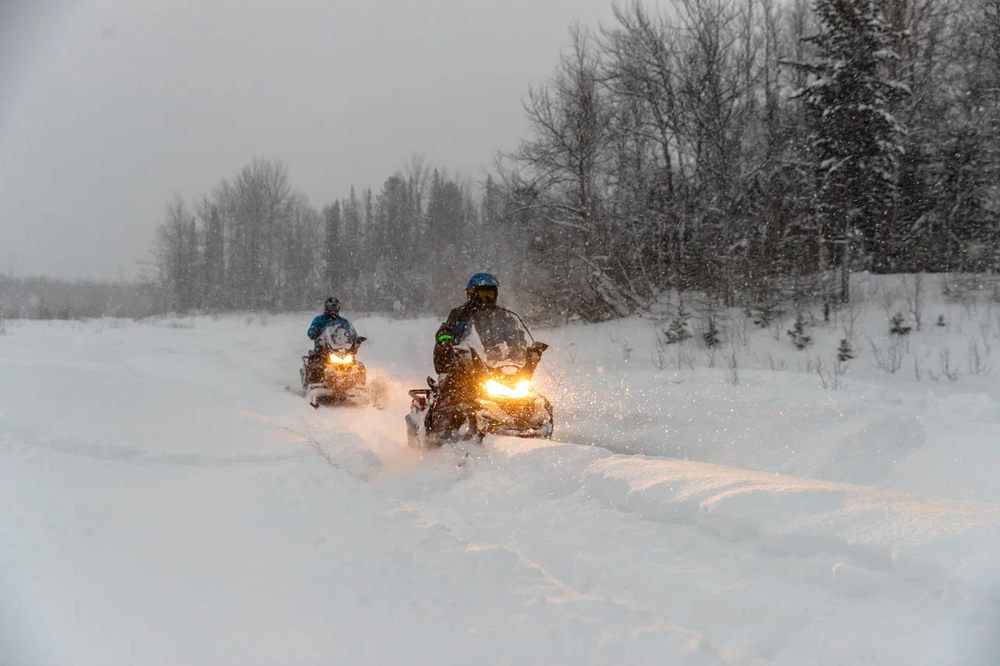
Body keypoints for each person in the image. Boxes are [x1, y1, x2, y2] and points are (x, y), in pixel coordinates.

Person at [427, 273, 502, 435]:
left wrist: (525, 350)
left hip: (493, 363)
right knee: (453, 390)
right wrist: (446, 341)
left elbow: (514, 336)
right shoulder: (460, 314)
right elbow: (445, 331)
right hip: (465, 363)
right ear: (473, 294)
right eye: (484, 294)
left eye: (490, 294)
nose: (487, 299)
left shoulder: (501, 316)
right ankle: (439, 428)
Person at [304, 297, 358, 385]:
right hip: (323, 349)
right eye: (331, 307)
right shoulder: (319, 320)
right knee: (316, 366)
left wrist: (356, 339)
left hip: (340, 349)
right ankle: (314, 384)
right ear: (327, 307)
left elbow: (351, 332)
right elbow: (312, 330)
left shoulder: (343, 321)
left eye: (335, 307)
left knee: (356, 366)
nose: (333, 310)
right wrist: (313, 332)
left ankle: (358, 384)